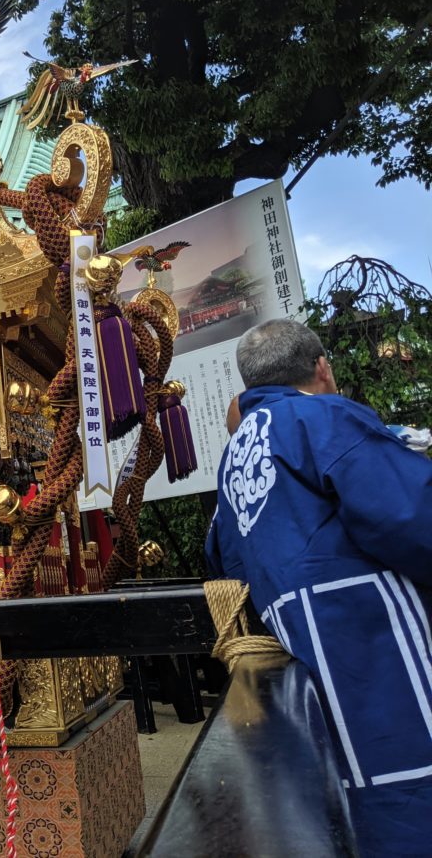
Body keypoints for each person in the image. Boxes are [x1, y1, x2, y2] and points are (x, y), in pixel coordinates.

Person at [206, 319, 432, 856]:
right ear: (321, 366)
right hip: (370, 629)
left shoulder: (235, 455)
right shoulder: (321, 415)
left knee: (359, 788)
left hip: (297, 640)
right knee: (412, 778)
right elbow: (408, 516)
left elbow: (225, 554)